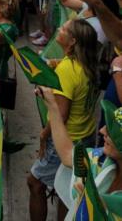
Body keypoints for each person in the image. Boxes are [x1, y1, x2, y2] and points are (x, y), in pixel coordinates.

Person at [27, 18, 100, 221]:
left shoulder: (67, 70)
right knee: (66, 189)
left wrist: (44, 135)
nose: (59, 29)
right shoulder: (87, 65)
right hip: (85, 136)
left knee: (34, 182)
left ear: (73, 41)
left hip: (66, 140)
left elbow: (61, 114)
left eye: (64, 29)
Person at [38, 88, 122, 221]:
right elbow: (67, 154)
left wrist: (93, 202)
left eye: (112, 132)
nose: (102, 130)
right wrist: (52, 105)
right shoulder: (102, 161)